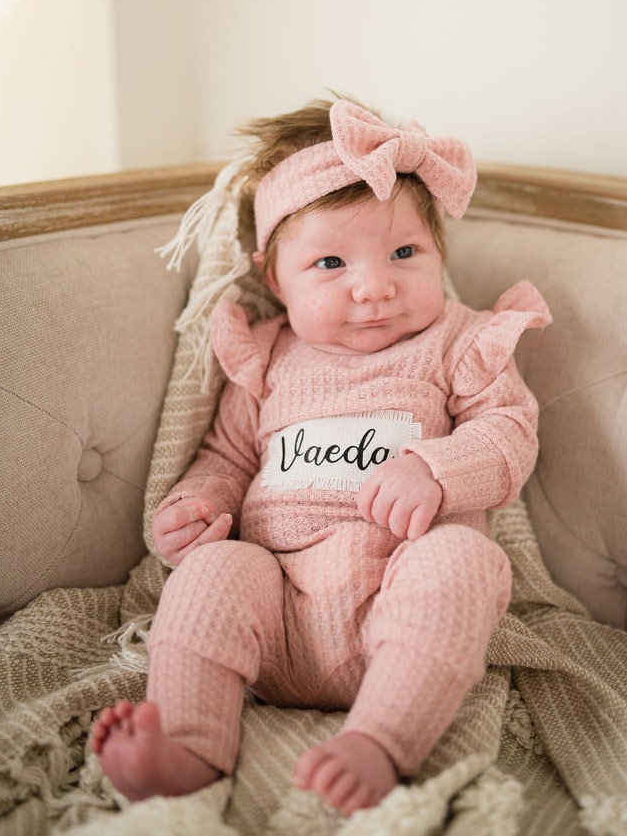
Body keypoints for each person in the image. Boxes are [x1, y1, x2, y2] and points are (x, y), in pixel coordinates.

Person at [91, 96, 550, 815]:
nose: (374, 285)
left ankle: (379, 738)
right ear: (275, 279)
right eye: (330, 262)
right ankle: (187, 743)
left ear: (440, 253)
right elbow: (227, 456)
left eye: (405, 252)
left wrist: (436, 467)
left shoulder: (459, 340)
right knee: (215, 568)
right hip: (273, 612)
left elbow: (508, 434)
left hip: (392, 607)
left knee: (463, 559)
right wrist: (200, 504)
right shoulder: (269, 358)